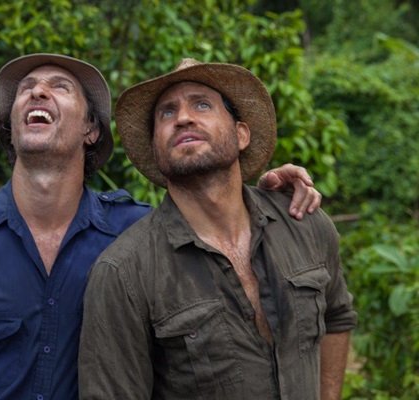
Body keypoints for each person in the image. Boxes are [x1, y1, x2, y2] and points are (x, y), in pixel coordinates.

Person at [0, 53, 322, 400]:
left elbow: (212, 216)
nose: (37, 91)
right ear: (10, 128)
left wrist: (263, 192)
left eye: (60, 86)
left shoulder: (137, 235)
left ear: (91, 129)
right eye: (25, 89)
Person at [79, 58, 357, 400]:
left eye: (202, 104)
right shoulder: (124, 273)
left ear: (241, 134)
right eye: (166, 112)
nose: (183, 118)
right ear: (155, 148)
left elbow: (337, 318)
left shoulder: (304, 223)